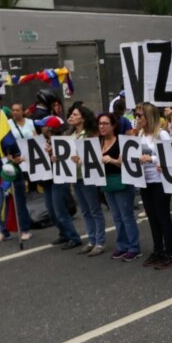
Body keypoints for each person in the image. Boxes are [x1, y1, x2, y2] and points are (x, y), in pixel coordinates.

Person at [136, 103, 172, 268]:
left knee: (162, 216)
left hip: (160, 181)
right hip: (145, 181)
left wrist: (151, 159)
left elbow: (171, 155)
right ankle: (158, 249)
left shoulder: (162, 134)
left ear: (149, 117)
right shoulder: (139, 133)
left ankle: (169, 252)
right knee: (152, 217)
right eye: (136, 115)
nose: (137, 118)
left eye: (140, 115)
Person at [98, 112, 141, 261]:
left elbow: (127, 162)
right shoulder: (98, 142)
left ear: (113, 126)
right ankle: (122, 245)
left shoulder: (122, 141)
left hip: (122, 181)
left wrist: (112, 160)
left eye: (105, 123)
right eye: (100, 124)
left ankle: (134, 247)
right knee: (116, 216)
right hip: (107, 183)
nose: (102, 126)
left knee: (126, 215)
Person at [38, 116, 80, 249]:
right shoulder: (42, 142)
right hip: (47, 180)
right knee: (51, 211)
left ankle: (74, 237)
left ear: (50, 129)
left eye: (43, 126)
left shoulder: (62, 142)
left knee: (60, 211)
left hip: (60, 179)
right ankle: (63, 233)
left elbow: (67, 159)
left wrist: (52, 153)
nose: (40, 128)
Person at [67, 105, 104, 255]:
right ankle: (91, 239)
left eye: (75, 114)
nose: (72, 116)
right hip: (75, 176)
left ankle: (100, 242)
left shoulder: (90, 135)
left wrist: (82, 159)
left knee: (94, 209)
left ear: (83, 118)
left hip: (87, 176)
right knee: (85, 210)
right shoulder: (69, 135)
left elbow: (96, 155)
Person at [0, 120, 32, 243]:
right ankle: (4, 232)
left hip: (14, 177)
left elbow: (20, 158)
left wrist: (14, 159)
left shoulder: (9, 143)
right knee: (2, 206)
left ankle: (25, 230)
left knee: (19, 205)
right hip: (1, 178)